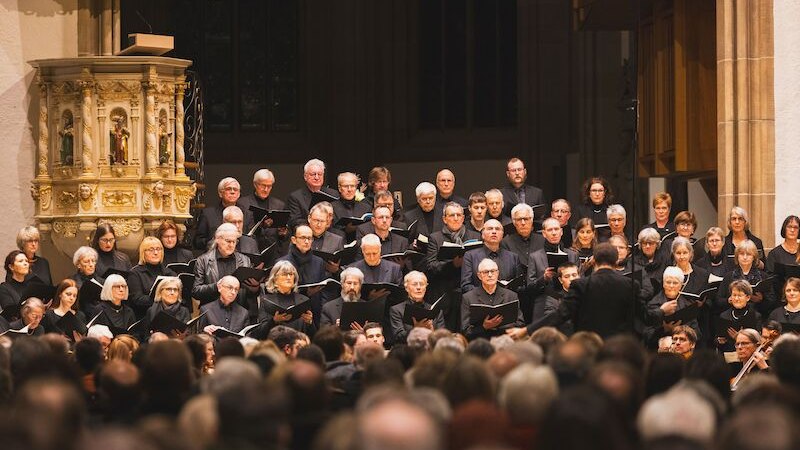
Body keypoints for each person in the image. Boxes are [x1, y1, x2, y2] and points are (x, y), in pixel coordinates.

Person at [525, 242, 640, 338]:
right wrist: (659, 312)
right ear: (615, 262)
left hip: (592, 344)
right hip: (620, 345)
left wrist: (526, 330)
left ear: (594, 261)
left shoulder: (581, 285)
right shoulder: (631, 284)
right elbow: (644, 316)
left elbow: (561, 314)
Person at [424, 201, 481, 331]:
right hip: (445, 292)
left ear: (463, 217)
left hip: (468, 292)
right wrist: (452, 264)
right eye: (451, 215)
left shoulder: (475, 236)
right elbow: (431, 266)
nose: (455, 218)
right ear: (444, 219)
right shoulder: (435, 238)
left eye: (458, 215)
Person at [193, 223, 257, 316]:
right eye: (228, 241)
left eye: (234, 242)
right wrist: (217, 286)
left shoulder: (245, 260)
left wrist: (255, 288)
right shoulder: (203, 261)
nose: (231, 245)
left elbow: (249, 294)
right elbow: (196, 291)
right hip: (212, 313)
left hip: (238, 313)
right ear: (217, 239)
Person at [525, 218, 579, 319]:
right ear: (544, 234)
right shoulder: (535, 257)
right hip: (543, 303)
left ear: (561, 232)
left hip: (570, 302)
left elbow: (581, 283)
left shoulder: (573, 255)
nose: (554, 233)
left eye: (556, 229)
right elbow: (530, 288)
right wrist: (543, 279)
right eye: (550, 230)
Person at [461, 258, 524, 340]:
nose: (490, 275)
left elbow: (520, 323)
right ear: (479, 276)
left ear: (497, 273)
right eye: (486, 272)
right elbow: (465, 330)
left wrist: (501, 326)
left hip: (505, 342)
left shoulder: (511, 295)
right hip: (481, 343)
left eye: (493, 271)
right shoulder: (468, 298)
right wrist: (484, 327)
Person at [278, 224, 328, 321]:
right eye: (303, 238)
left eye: (310, 238)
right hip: (289, 314)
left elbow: (323, 293)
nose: (306, 241)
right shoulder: (282, 263)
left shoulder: (319, 262)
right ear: (293, 240)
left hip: (313, 313)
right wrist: (305, 293)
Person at [644, 266, 701, 350]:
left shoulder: (688, 305)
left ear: (681, 285)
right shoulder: (652, 304)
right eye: (668, 282)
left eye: (675, 283)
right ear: (663, 284)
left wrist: (682, 332)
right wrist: (664, 329)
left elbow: (697, 334)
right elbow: (646, 334)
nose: (671, 286)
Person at [715, 239, 775, 317]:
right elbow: (718, 300)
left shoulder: (763, 276)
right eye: (742, 254)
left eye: (749, 254)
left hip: (756, 316)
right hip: (733, 316)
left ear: (754, 257)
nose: (745, 257)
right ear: (737, 256)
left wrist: (761, 300)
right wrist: (729, 300)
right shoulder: (729, 276)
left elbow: (772, 301)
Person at [461, 219, 523, 293]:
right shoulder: (470, 256)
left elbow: (520, 286)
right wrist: (487, 293)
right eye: (490, 229)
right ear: (482, 234)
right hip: (479, 301)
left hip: (506, 301)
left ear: (502, 235)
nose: (494, 232)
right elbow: (466, 285)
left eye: (497, 229)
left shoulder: (513, 258)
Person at [256, 261, 315, 337]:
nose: (288, 277)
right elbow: (260, 333)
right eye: (284, 274)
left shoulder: (304, 300)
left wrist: (310, 322)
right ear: (275, 279)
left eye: (291, 274)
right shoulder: (266, 300)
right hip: (275, 345)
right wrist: (274, 321)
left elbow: (313, 336)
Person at [238, 168, 290, 256]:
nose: (266, 189)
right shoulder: (243, 203)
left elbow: (285, 237)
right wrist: (261, 226)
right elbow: (242, 230)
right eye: (263, 185)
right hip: (250, 251)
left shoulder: (279, 205)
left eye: (269, 186)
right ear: (255, 184)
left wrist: (283, 233)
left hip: (273, 253)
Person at [127, 237, 176, 319]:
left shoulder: (170, 273)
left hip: (169, 316)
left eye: (158, 249)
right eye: (151, 249)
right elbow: (137, 299)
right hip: (145, 317)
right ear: (143, 252)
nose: (156, 252)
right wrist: (163, 299)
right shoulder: (135, 273)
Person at [389, 271, 446, 343]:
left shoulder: (436, 311)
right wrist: (416, 329)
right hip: (408, 351)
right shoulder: (397, 310)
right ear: (406, 288)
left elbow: (443, 338)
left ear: (425, 288)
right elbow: (398, 336)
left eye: (422, 284)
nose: (418, 287)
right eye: (414, 284)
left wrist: (432, 333)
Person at [194, 177, 245, 250]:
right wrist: (215, 241)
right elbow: (197, 242)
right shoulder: (208, 214)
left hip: (241, 258)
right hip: (214, 257)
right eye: (228, 189)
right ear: (220, 193)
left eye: (235, 189)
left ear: (239, 194)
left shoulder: (246, 213)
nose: (232, 192)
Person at [349, 234, 403, 303]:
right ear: (362, 251)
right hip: (362, 310)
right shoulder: (352, 270)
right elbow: (349, 297)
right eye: (368, 254)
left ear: (380, 249)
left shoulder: (394, 269)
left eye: (375, 253)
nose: (372, 258)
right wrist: (368, 298)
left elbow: (400, 296)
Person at [287, 159, 339, 227]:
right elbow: (294, 221)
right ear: (305, 176)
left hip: (330, 233)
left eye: (320, 174)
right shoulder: (295, 197)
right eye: (313, 174)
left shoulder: (333, 194)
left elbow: (337, 217)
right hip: (307, 232)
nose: (317, 177)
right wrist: (316, 221)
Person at [717, 280, 761, 352]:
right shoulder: (724, 316)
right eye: (734, 295)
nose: (736, 299)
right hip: (729, 355)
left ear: (748, 298)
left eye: (740, 295)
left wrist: (739, 338)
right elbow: (717, 342)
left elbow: (757, 342)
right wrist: (719, 341)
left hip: (749, 355)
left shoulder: (755, 316)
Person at [331, 172, 371, 241]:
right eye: (346, 186)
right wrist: (345, 230)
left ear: (356, 188)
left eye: (352, 186)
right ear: (340, 188)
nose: (349, 189)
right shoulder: (331, 207)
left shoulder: (366, 208)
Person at [0, 250, 31, 316]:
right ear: (11, 267)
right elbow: (9, 311)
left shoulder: (31, 285)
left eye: (26, 261)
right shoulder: (4, 288)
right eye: (21, 261)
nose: (25, 263)